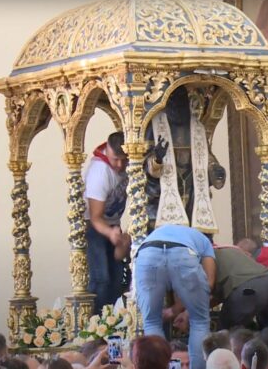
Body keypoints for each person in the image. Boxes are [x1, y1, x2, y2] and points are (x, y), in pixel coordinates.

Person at [144, 85, 226, 234]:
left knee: (196, 233)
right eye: (173, 102)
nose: (177, 108)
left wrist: (215, 169)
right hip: (162, 193)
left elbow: (207, 157)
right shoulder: (154, 127)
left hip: (191, 188)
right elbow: (144, 167)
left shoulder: (197, 128)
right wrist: (157, 159)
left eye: (181, 103)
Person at [135, 224, 216, 369]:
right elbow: (209, 284)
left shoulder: (158, 232)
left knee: (152, 322)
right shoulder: (205, 241)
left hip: (147, 253)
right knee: (199, 320)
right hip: (184, 253)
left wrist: (175, 309)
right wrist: (184, 308)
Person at [167, 245, 268, 331]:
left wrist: (172, 311)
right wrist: (188, 313)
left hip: (248, 291)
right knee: (267, 333)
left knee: (224, 336)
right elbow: (217, 296)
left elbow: (200, 290)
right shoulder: (227, 250)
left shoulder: (203, 259)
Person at [84, 131, 130, 314]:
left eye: (123, 160)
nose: (119, 165)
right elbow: (95, 217)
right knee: (101, 277)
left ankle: (112, 321)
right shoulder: (100, 172)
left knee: (118, 277)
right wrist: (110, 233)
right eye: (115, 159)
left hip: (113, 224)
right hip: (94, 227)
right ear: (108, 151)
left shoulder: (131, 161)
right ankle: (95, 322)